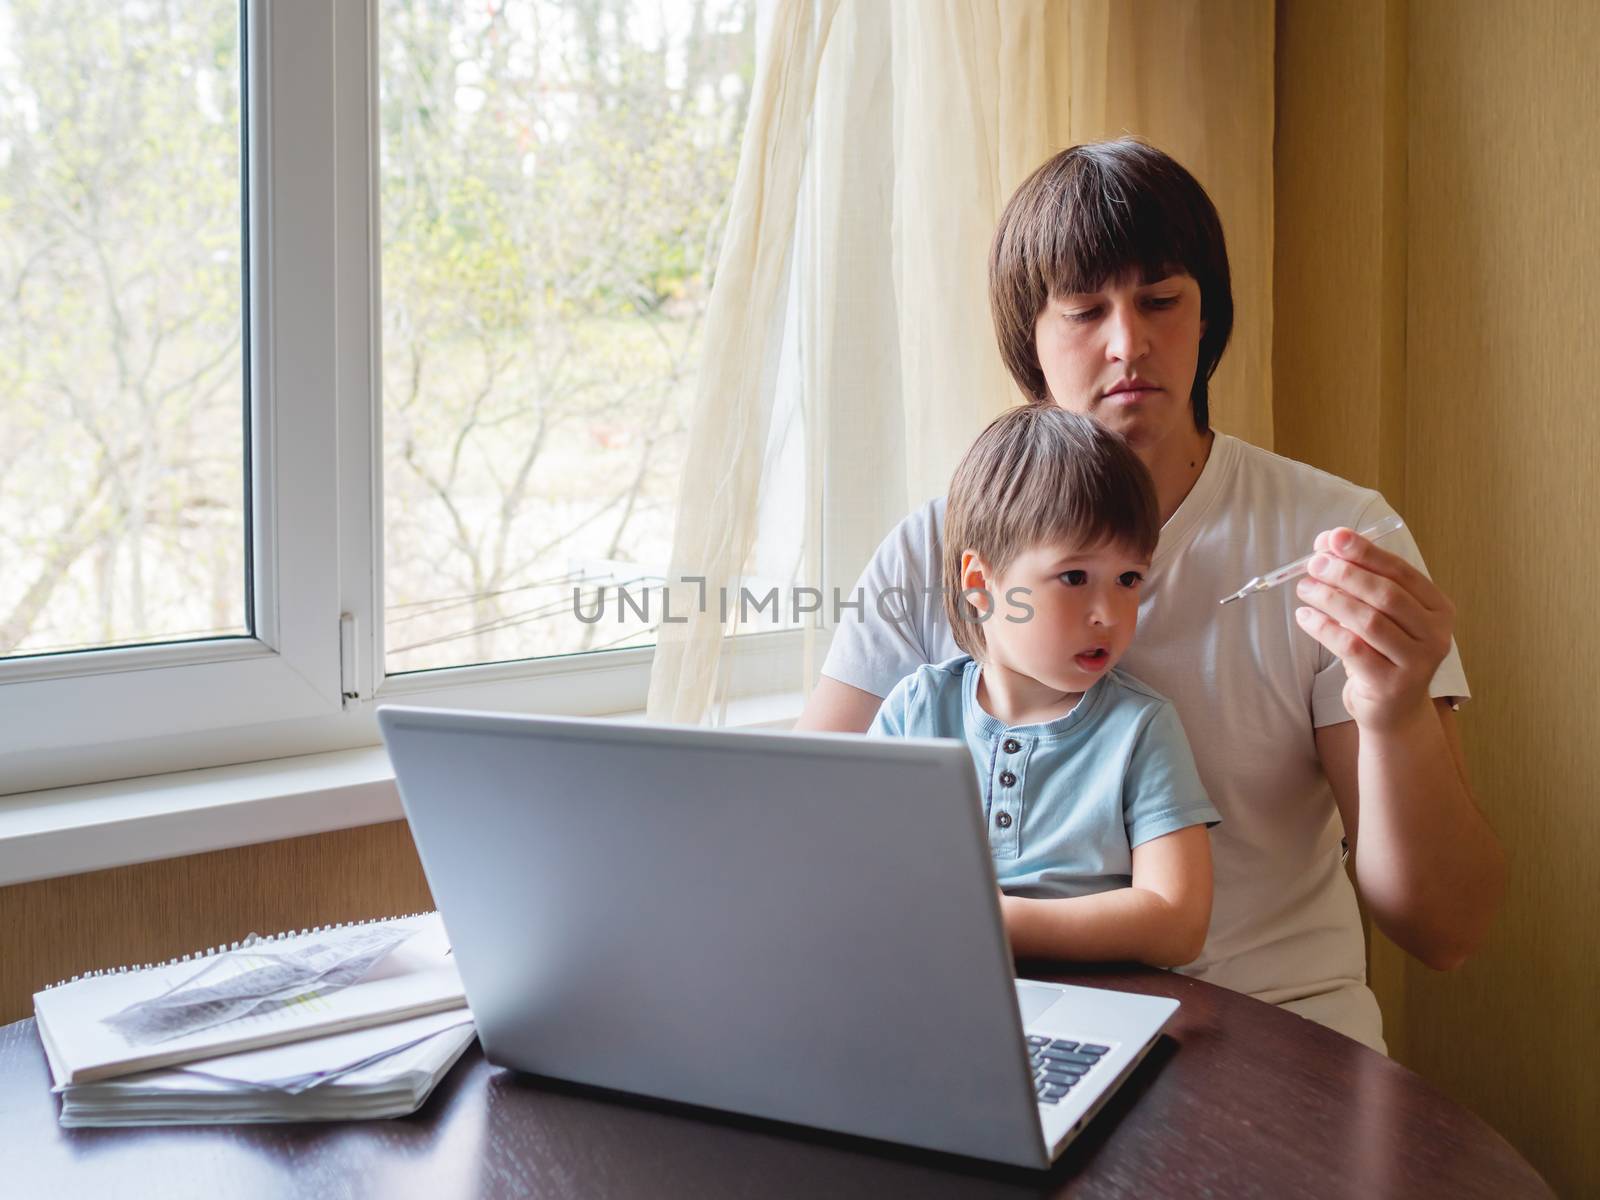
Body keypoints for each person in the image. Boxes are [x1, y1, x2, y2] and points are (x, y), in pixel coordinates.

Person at [797, 138, 1505, 1052]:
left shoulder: (1332, 536)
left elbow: (1445, 932)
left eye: (1162, 301)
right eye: (1085, 311)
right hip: (992, 1031)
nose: (1129, 343)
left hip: (1274, 1036)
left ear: (1207, 317)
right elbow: (807, 847)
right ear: (1031, 344)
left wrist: (1396, 712)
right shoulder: (937, 552)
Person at [870, 404, 1219, 968]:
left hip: (1107, 1009)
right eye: (1075, 577)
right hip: (939, 994)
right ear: (981, 585)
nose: (1108, 612)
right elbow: (861, 876)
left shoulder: (1139, 728)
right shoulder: (917, 711)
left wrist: (995, 924)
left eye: (1129, 579)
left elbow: (1177, 921)